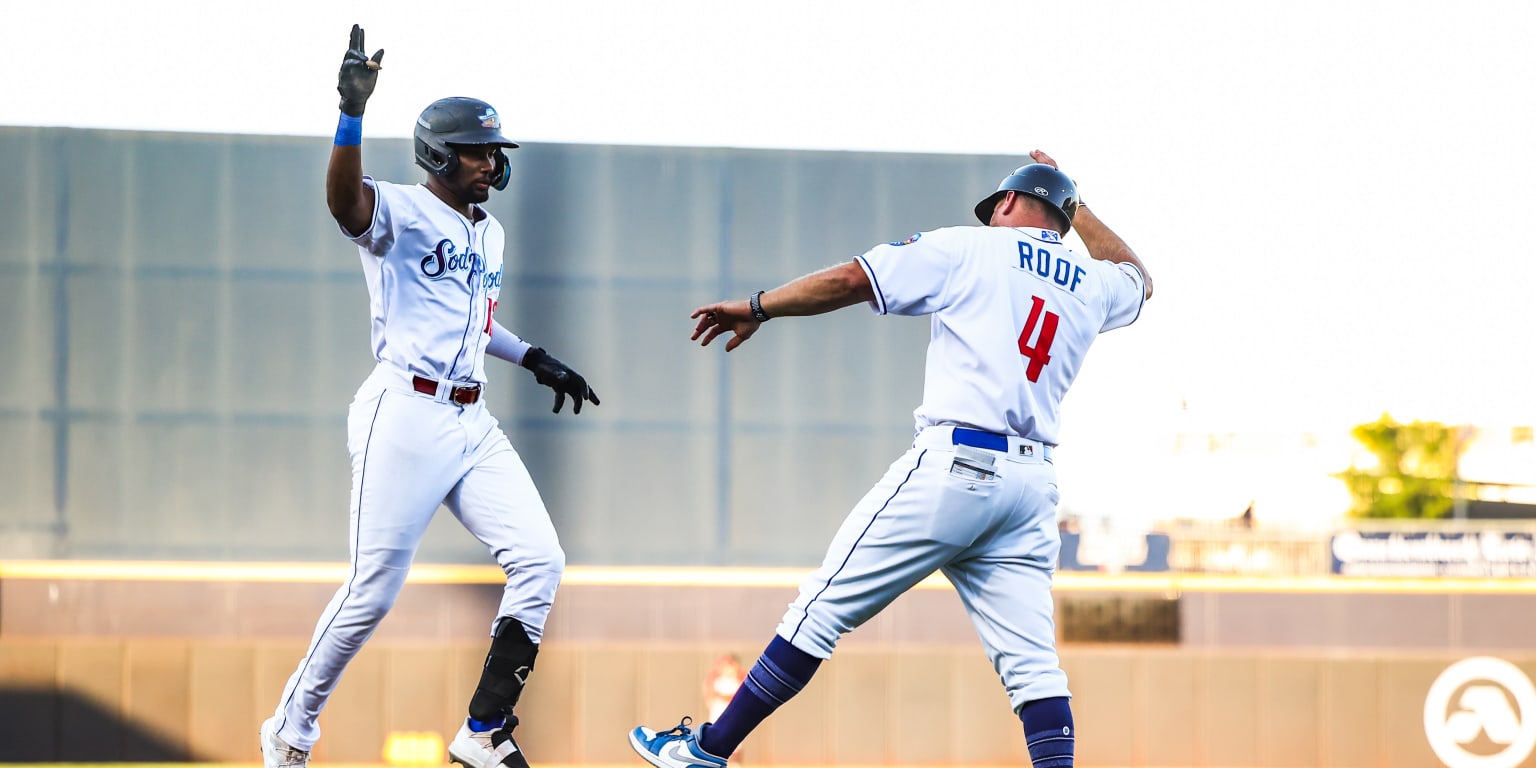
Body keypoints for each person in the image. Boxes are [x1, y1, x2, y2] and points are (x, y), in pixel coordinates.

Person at [628, 150, 1150, 768]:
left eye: (995, 208)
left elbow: (853, 279)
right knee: (1034, 668)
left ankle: (707, 751)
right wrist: (1077, 204)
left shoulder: (968, 248)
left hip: (956, 466)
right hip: (1032, 484)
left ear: (1008, 202)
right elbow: (1137, 276)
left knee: (820, 609)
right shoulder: (1091, 281)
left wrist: (760, 305)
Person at [259, 25, 600, 768]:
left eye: (493, 152)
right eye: (479, 151)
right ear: (442, 155)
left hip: (471, 417)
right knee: (372, 592)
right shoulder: (402, 211)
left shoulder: (493, 234)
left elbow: (474, 322)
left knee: (541, 560)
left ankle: (482, 732)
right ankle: (291, 728)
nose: (491, 163)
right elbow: (344, 203)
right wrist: (350, 115)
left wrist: (535, 356)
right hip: (404, 412)